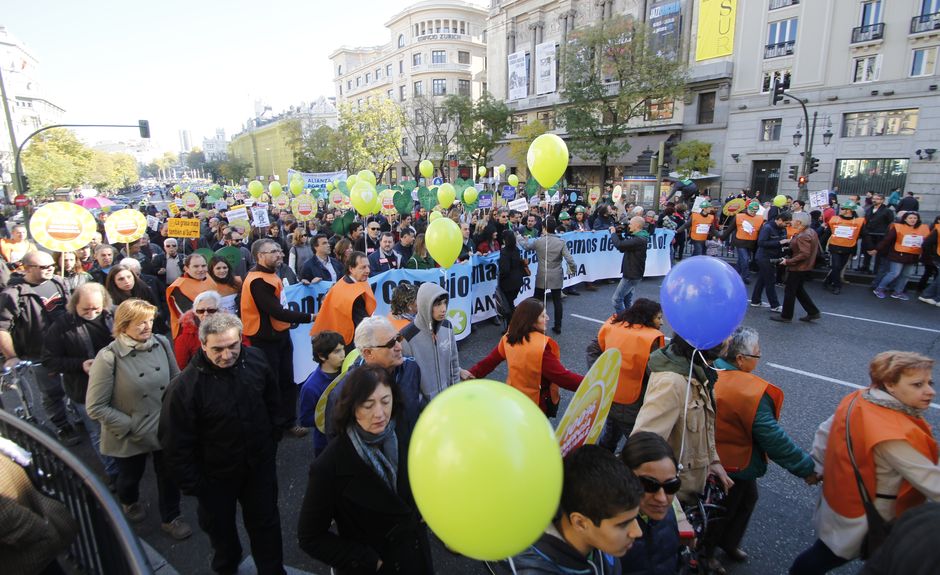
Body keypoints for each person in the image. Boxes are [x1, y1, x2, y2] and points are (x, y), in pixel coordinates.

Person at [789, 351, 939, 574]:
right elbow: (931, 481)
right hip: (870, 512)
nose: (930, 391)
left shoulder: (860, 398)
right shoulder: (891, 434)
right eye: (918, 384)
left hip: (841, 497)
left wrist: (816, 466)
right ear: (890, 384)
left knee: (826, 552)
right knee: (827, 556)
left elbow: (826, 430)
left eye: (929, 382)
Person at [160, 313, 286, 575]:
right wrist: (196, 485)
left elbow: (274, 404)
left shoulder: (257, 361)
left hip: (257, 468)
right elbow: (175, 444)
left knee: (266, 525)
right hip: (214, 479)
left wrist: (268, 447)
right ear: (203, 345)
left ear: (241, 339)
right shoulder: (184, 388)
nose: (227, 355)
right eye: (217, 349)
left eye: (232, 346)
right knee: (221, 533)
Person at [298, 365, 433, 574]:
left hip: (414, 555)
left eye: (385, 402)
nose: (380, 414)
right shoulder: (329, 465)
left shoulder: (404, 432)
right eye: (368, 405)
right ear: (352, 407)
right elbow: (310, 536)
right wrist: (368, 561)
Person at [85, 299, 191, 539]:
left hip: (163, 426)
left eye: (150, 321)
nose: (147, 327)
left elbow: (176, 380)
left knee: (168, 475)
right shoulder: (108, 357)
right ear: (123, 324)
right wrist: (130, 425)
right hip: (130, 432)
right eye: (139, 322)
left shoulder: (162, 343)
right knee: (130, 478)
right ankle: (128, 500)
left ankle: (171, 517)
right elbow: (95, 406)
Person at [711, 327, 816, 569]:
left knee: (746, 499)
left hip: (719, 456)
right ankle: (707, 554)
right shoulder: (750, 391)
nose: (760, 356)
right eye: (757, 353)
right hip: (733, 463)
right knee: (726, 509)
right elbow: (774, 439)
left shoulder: (710, 367)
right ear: (740, 359)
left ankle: (727, 542)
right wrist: (805, 467)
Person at [631, 334, 733, 505]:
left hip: (693, 488)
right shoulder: (672, 383)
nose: (730, 338)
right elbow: (643, 447)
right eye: (724, 334)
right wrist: (673, 512)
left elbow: (701, 429)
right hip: (675, 497)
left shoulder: (699, 370)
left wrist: (712, 461)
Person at [512, 444, 644, 574]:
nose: (637, 532)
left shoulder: (601, 540)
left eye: (634, 518)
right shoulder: (534, 570)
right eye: (623, 524)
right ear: (580, 522)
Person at [41, 282, 119, 484]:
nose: (92, 313)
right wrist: (80, 364)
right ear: (74, 304)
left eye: (97, 308)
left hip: (118, 383)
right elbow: (49, 360)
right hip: (84, 388)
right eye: (86, 309)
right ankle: (113, 473)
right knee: (98, 432)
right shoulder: (61, 326)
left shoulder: (114, 315)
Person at [0, 251, 78, 445]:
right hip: (40, 353)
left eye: (51, 264)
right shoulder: (13, 294)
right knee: (52, 392)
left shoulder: (60, 282)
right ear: (27, 268)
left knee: (76, 382)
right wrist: (11, 356)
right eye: (43, 267)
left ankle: (78, 414)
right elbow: (2, 329)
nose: (50, 268)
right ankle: (62, 425)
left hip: (68, 346)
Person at [241, 238, 315, 439]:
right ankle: (273, 426)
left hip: (280, 335)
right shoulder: (257, 281)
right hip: (265, 340)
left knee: (287, 380)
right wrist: (310, 317)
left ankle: (288, 422)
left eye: (279, 251)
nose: (279, 254)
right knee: (271, 383)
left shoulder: (271, 274)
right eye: (273, 251)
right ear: (260, 256)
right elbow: (277, 311)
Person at [468, 298, 582, 417]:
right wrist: (592, 383)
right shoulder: (541, 346)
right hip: (535, 405)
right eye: (543, 316)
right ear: (532, 321)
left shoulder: (508, 338)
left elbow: (490, 362)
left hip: (513, 400)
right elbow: (562, 377)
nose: (547, 318)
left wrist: (471, 374)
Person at [321, 316, 424, 438]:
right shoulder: (343, 392)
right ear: (368, 353)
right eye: (391, 344)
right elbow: (335, 441)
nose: (399, 347)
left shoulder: (411, 368)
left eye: (398, 338)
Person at [595, 299, 665, 452]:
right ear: (647, 317)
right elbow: (655, 373)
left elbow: (593, 350)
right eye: (659, 318)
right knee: (640, 446)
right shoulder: (649, 338)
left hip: (609, 393)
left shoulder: (613, 325)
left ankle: (600, 463)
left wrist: (601, 375)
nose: (662, 322)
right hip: (632, 399)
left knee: (610, 434)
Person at [618, 432, 683, 574]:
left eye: (671, 485)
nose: (662, 498)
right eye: (649, 485)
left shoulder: (668, 512)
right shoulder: (604, 530)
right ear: (625, 477)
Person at [400, 282, 464, 402]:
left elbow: (454, 363)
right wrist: (423, 406)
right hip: (426, 410)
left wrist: (456, 393)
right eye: (438, 304)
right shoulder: (407, 337)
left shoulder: (448, 327)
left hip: (450, 400)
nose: (443, 309)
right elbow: (408, 382)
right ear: (425, 305)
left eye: (445, 303)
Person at [520, 217, 576, 335]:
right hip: (556, 274)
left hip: (542, 274)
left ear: (544, 228)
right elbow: (570, 259)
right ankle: (558, 326)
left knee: (536, 302)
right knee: (557, 301)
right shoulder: (561, 242)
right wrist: (572, 269)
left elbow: (525, 246)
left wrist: (518, 237)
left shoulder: (539, 241)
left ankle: (533, 325)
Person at [310, 251, 376, 349]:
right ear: (351, 269)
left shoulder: (345, 282)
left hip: (338, 339)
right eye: (363, 267)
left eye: (368, 266)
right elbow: (364, 324)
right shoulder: (352, 294)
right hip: (347, 343)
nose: (368, 271)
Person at [298, 331, 346, 457]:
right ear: (322, 356)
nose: (343, 355)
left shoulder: (347, 370)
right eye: (337, 351)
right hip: (326, 444)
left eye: (343, 349)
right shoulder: (311, 387)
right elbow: (305, 419)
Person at [771, 212, 821, 323]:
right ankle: (813, 312)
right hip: (804, 267)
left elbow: (804, 254)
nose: (791, 222)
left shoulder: (803, 235)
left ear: (799, 222)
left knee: (790, 291)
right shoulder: (810, 232)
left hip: (798, 267)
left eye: (793, 220)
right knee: (798, 290)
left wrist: (788, 261)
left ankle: (786, 316)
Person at [871, 211, 929, 300]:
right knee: (894, 273)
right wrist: (877, 249)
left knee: (906, 275)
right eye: (910, 218)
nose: (913, 220)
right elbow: (887, 240)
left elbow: (927, 241)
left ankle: (898, 292)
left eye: (915, 218)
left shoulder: (922, 229)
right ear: (905, 219)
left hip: (912, 255)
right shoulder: (898, 227)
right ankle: (879, 288)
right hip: (898, 254)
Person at [166, 254, 217, 338]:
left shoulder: (208, 277)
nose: (200, 269)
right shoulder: (178, 288)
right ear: (186, 269)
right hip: (193, 333)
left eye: (203, 266)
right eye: (196, 266)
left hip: (213, 327)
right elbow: (191, 317)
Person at [823, 201, 866, 295]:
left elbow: (865, 235)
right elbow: (827, 233)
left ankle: (827, 281)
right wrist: (821, 245)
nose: (840, 210)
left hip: (848, 248)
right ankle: (837, 286)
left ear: (849, 211)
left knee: (838, 268)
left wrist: (870, 248)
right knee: (836, 266)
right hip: (835, 246)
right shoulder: (834, 219)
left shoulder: (858, 221)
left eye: (842, 209)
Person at [609, 216, 650, 315]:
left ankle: (625, 319)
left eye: (631, 224)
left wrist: (613, 233)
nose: (629, 226)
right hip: (634, 273)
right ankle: (632, 319)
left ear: (636, 225)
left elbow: (619, 245)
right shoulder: (640, 237)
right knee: (627, 300)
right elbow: (623, 247)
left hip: (631, 274)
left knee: (616, 299)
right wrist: (619, 234)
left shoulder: (639, 240)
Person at [751, 210, 790, 311]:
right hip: (764, 257)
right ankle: (775, 305)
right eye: (786, 223)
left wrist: (786, 244)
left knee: (762, 280)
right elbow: (761, 243)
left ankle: (755, 301)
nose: (787, 225)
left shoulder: (782, 229)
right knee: (770, 281)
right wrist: (780, 242)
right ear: (780, 220)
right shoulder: (767, 227)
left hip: (773, 257)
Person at [173, 290, 223, 369]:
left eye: (211, 310)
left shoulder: (232, 328)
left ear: (219, 310)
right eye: (201, 311)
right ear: (195, 312)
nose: (205, 314)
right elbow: (180, 368)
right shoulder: (185, 338)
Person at [722, 201, 765, 285]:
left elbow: (761, 231)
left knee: (741, 260)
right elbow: (730, 229)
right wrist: (722, 237)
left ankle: (734, 274)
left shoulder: (760, 218)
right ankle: (746, 277)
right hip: (740, 241)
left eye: (755, 211)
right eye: (752, 210)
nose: (753, 213)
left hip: (751, 242)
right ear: (748, 209)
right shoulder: (739, 216)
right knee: (745, 259)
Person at [861, 193, 894, 274]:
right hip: (869, 234)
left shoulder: (887, 211)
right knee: (867, 251)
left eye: (877, 199)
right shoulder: (869, 209)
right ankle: (865, 267)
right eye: (874, 198)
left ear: (882, 200)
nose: (875, 200)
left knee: (879, 253)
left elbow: (891, 223)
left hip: (880, 234)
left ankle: (876, 270)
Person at [498, 229, 526, 323]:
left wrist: (500, 279)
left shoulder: (504, 251)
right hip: (518, 280)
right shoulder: (516, 249)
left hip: (508, 283)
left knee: (508, 306)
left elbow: (504, 269)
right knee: (511, 303)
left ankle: (512, 326)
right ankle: (513, 325)